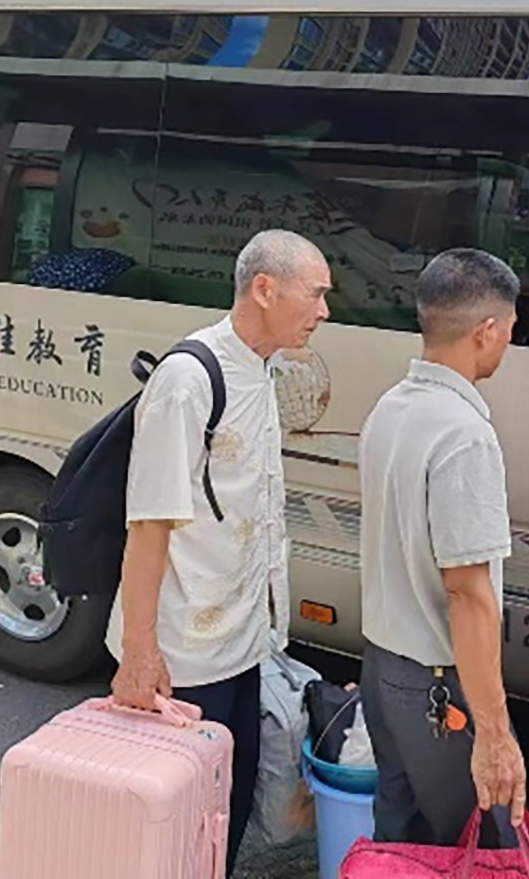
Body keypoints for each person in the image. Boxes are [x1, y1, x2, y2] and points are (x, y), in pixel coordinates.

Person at [109, 229, 332, 872]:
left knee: (225, 811)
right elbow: (149, 526)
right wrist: (139, 653)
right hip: (184, 655)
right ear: (265, 289)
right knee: (173, 828)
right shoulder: (188, 379)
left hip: (243, 643)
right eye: (315, 294)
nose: (324, 311)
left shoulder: (264, 368)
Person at [358, 248, 526, 848]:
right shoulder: (464, 436)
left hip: (382, 670)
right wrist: (495, 732)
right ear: (486, 331)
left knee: (401, 845)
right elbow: (468, 593)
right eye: (510, 329)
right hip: (437, 684)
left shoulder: (390, 408)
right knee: (485, 849)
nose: (509, 341)